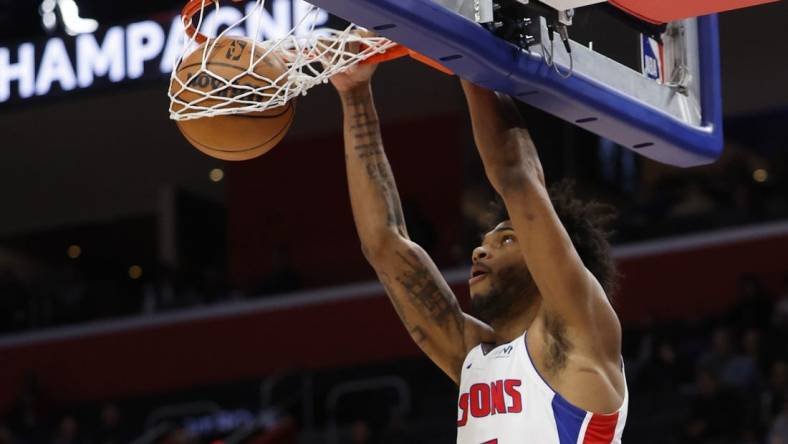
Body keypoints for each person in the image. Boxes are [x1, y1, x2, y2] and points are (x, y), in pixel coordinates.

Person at [330, 57, 627, 443]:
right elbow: (385, 245)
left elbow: (518, 179)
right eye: (483, 242)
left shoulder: (580, 331)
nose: (479, 252)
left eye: (506, 239)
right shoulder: (476, 357)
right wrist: (354, 93)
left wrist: (468, 57)